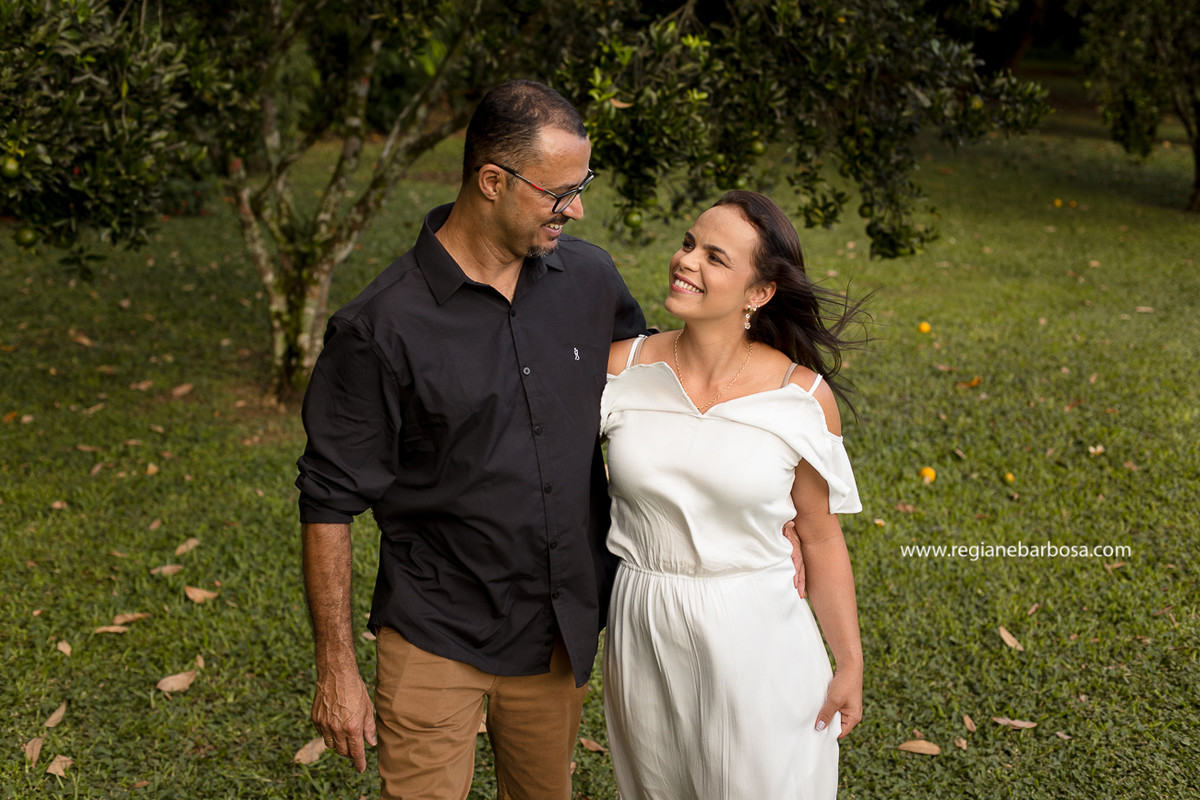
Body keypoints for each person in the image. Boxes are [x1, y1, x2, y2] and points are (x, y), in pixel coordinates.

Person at [295, 80, 646, 799]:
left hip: (557, 631)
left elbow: (662, 391)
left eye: (582, 187)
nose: (575, 209)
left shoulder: (590, 280)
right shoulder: (379, 328)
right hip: (435, 631)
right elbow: (328, 501)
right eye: (559, 192)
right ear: (492, 180)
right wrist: (336, 668)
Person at [600, 190, 867, 797]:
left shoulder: (800, 399)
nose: (686, 260)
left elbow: (821, 535)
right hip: (645, 623)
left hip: (758, 629)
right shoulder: (621, 370)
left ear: (759, 292)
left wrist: (848, 661)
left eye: (715, 257)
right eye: (689, 243)